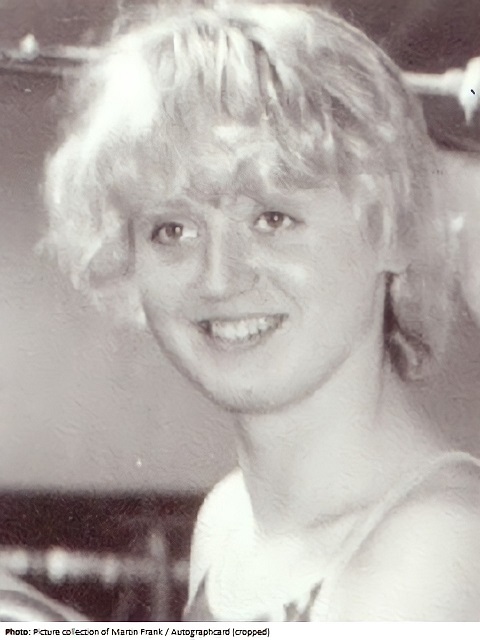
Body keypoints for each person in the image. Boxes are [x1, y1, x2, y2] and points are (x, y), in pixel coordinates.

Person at [41, 0, 480, 621]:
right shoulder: (227, 522)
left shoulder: (437, 549)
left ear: (392, 230)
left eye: (273, 218)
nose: (219, 278)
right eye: (172, 229)